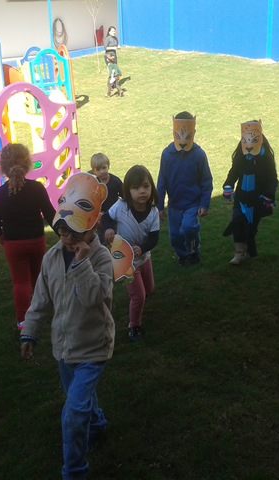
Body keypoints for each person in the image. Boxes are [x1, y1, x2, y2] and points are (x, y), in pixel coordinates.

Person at [20, 172, 114, 480]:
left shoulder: (101, 258)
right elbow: (41, 300)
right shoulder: (50, 259)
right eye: (63, 231)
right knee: (80, 397)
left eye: (76, 232)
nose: (70, 239)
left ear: (93, 227)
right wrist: (30, 332)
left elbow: (93, 297)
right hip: (63, 349)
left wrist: (81, 264)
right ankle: (97, 424)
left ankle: (74, 470)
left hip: (93, 347)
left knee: (74, 411)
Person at [0, 143, 56, 331]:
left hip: (13, 244)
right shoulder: (37, 188)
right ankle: (42, 311)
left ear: (3, 166)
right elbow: (51, 215)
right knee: (37, 277)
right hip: (36, 241)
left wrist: (0, 236)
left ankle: (22, 321)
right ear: (27, 163)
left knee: (20, 282)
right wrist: (64, 234)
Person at [103, 165, 160, 342]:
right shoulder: (121, 206)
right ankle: (134, 325)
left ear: (151, 187)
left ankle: (138, 299)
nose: (142, 191)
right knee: (139, 296)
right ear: (127, 190)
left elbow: (154, 238)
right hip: (125, 261)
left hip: (144, 258)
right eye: (136, 187)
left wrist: (142, 248)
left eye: (146, 186)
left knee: (149, 290)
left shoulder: (153, 212)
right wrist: (108, 229)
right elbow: (106, 218)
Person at [157, 111, 213, 266]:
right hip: (174, 204)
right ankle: (183, 256)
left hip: (192, 203)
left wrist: (204, 204)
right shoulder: (167, 154)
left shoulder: (198, 154)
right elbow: (161, 181)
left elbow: (206, 180)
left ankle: (194, 251)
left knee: (189, 228)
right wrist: (159, 206)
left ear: (193, 132)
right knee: (175, 235)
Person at [222, 120, 278, 265]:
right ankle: (239, 253)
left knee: (251, 227)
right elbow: (234, 172)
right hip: (241, 197)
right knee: (237, 221)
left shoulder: (265, 158)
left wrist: (269, 194)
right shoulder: (241, 156)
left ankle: (249, 249)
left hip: (257, 199)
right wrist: (228, 185)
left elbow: (272, 178)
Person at [90, 152, 123, 244]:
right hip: (101, 217)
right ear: (94, 171)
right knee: (103, 239)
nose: (102, 171)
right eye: (98, 169)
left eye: (104, 168)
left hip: (115, 215)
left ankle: (116, 251)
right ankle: (104, 251)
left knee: (116, 239)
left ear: (108, 166)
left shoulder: (116, 181)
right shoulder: (94, 184)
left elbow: (125, 196)